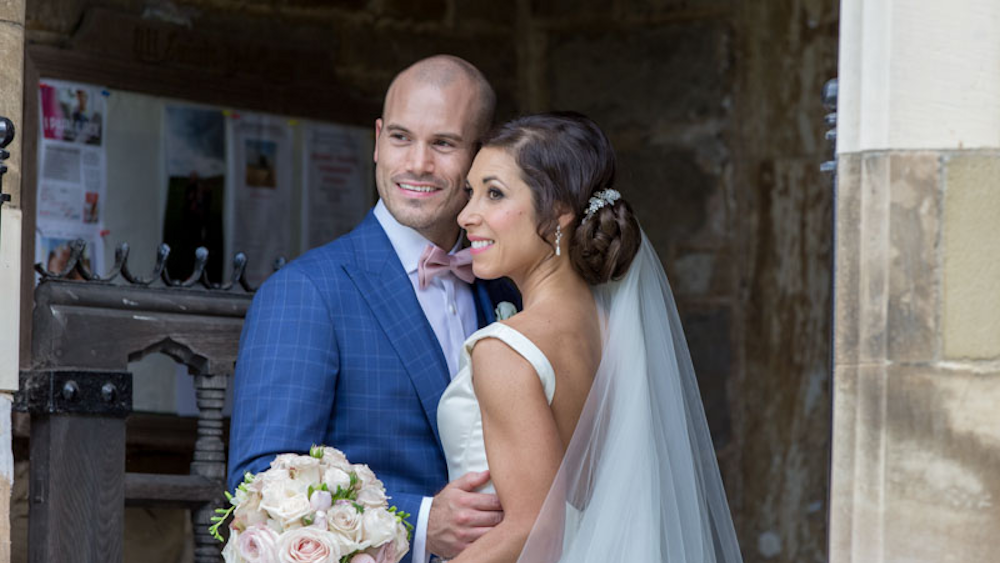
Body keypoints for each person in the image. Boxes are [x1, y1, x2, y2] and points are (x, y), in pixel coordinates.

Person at [227, 55, 519, 563]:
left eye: (444, 143)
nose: (418, 164)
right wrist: (423, 524)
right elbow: (257, 488)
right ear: (378, 139)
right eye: (401, 138)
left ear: (481, 154)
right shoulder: (306, 291)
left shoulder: (504, 289)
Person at [436, 112, 744, 562]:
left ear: (560, 210)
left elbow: (533, 529)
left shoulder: (504, 350)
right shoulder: (616, 331)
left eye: (494, 193)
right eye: (471, 192)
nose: (466, 215)